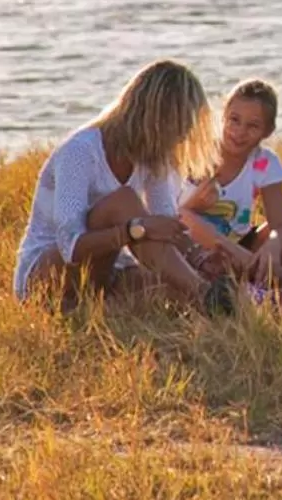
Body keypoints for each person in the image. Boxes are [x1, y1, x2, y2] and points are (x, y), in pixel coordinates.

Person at [13, 59, 235, 313]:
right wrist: (133, 231)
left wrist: (199, 258)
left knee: (175, 292)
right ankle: (205, 296)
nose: (184, 135)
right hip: (45, 277)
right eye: (181, 125)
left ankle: (208, 295)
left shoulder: (154, 157)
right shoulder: (81, 151)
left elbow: (165, 226)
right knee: (123, 203)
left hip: (109, 271)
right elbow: (70, 247)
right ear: (155, 118)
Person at [179, 78, 282, 291]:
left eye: (252, 126)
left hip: (245, 249)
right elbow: (173, 215)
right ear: (223, 117)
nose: (239, 132)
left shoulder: (264, 163)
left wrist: (275, 243)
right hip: (193, 251)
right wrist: (194, 205)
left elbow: (280, 226)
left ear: (268, 131)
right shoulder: (198, 153)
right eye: (234, 120)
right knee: (186, 215)